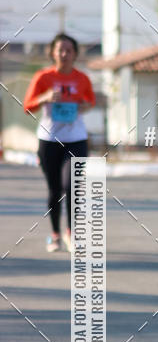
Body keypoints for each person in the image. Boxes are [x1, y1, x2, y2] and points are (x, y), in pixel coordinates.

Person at [24, 33, 95, 252]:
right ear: (53, 53)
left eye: (69, 50)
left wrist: (84, 106)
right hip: (49, 139)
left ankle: (70, 233)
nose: (64, 54)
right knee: (54, 190)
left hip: (76, 139)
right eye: (60, 50)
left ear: (75, 54)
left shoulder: (82, 78)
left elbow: (91, 101)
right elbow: (27, 106)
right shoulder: (43, 77)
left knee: (71, 185)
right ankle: (55, 235)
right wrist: (44, 98)